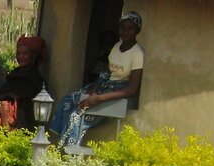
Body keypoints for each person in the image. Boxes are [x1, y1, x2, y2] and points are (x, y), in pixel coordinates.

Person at [51, 11, 144, 147]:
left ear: (137, 31)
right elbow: (106, 72)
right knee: (68, 101)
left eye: (131, 29)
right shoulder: (117, 46)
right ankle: (60, 143)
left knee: (75, 117)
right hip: (104, 87)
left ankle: (70, 155)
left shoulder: (137, 54)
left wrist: (99, 98)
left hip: (119, 95)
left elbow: (131, 89)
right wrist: (93, 92)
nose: (126, 32)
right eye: (123, 28)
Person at [0, 36, 46, 129]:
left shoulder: (34, 78)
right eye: (18, 53)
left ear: (33, 55)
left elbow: (24, 107)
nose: (20, 57)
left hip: (18, 123)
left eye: (25, 54)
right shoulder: (14, 74)